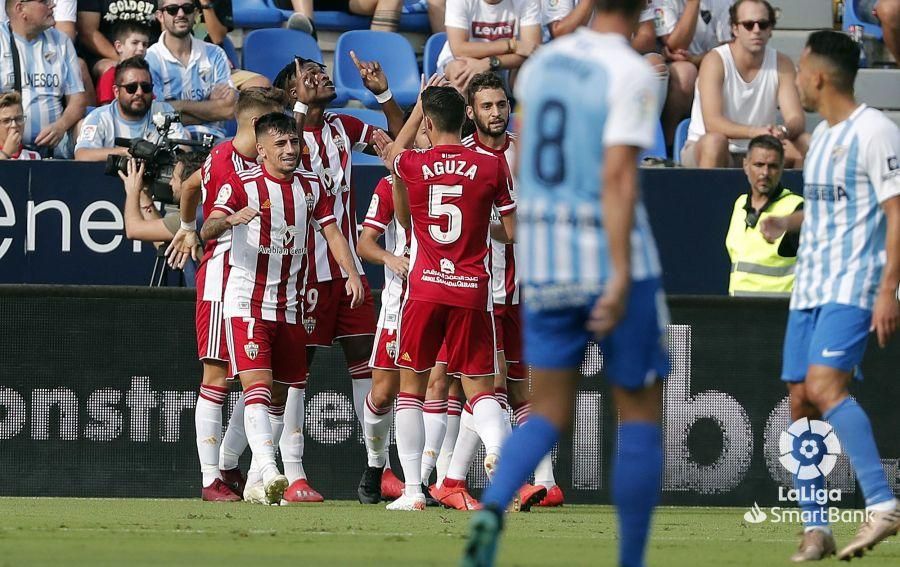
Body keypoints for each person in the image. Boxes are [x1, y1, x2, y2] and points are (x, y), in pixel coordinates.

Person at [462, 0, 669, 565]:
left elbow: (524, 154)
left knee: (547, 410)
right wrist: (621, 270)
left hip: (548, 261)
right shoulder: (630, 70)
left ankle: (491, 511)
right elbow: (620, 175)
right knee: (640, 413)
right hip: (609, 254)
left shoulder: (541, 65)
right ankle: (630, 558)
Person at [759, 30, 900, 562]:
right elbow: (827, 211)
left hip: (853, 285)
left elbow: (896, 213)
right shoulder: (820, 143)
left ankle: (883, 504)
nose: (797, 81)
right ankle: (816, 528)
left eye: (801, 72)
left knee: (823, 386)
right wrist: (786, 220)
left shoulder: (877, 132)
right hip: (809, 289)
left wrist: (889, 289)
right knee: (800, 399)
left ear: (818, 75)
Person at [200, 112, 364, 505]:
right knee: (255, 387)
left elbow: (333, 232)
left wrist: (351, 273)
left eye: (293, 143)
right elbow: (206, 228)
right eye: (281, 145)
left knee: (278, 395)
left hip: (290, 305)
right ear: (261, 151)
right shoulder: (241, 184)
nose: (291, 150)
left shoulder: (311, 186)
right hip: (247, 302)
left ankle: (256, 479)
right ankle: (271, 470)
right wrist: (227, 220)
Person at [370, 85, 517, 511]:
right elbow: (511, 233)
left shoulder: (412, 163)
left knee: (411, 391)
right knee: (483, 391)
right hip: (473, 290)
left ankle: (414, 491)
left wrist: (417, 109)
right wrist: (478, 231)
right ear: (468, 118)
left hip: (424, 289)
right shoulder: (492, 166)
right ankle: (501, 459)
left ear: (429, 124)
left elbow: (394, 152)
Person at [272, 55, 404, 483]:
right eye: (308, 74)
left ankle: (379, 469)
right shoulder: (282, 138)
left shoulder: (343, 128)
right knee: (293, 372)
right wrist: (297, 106)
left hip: (347, 271)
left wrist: (383, 93)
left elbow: (399, 143)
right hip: (301, 273)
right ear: (293, 92)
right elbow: (286, 147)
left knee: (369, 364)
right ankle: (290, 472)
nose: (322, 76)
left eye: (322, 70)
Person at [431, 71, 557, 512]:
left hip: (524, 288)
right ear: (470, 112)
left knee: (521, 387)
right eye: (486, 106)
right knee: (490, 384)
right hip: (478, 291)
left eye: (501, 104)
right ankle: (474, 477)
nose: (496, 113)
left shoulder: (526, 155)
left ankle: (544, 480)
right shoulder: (458, 159)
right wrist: (505, 230)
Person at [166, 86, 288, 502]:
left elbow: (189, 187)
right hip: (223, 277)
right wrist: (195, 229)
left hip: (254, 279)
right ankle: (210, 478)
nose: (282, 135)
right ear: (257, 125)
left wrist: (184, 225)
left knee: (256, 380)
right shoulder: (231, 163)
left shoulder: (225, 155)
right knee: (216, 376)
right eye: (275, 125)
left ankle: (230, 466)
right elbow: (210, 215)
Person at [356, 105, 436, 505]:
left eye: (429, 129)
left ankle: (422, 483)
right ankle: (375, 466)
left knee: (438, 391)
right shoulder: (391, 185)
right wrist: (390, 259)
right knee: (384, 393)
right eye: (420, 130)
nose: (427, 136)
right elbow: (365, 242)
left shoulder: (459, 177)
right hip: (399, 303)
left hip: (443, 297)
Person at [682, 0, 808, 169]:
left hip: (761, 150)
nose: (756, 30)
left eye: (763, 24)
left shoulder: (782, 63)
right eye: (749, 25)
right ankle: (709, 195)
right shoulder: (715, 60)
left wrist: (784, 131)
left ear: (770, 30)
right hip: (711, 148)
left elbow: (796, 118)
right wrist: (756, 133)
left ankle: (796, 195)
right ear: (735, 29)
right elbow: (713, 124)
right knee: (715, 142)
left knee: (805, 142)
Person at [0, 0, 87, 158]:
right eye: (44, 1)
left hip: (56, 143)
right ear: (21, 8)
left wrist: (61, 126)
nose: (53, 4)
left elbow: (78, 99)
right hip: (5, 145)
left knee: (84, 129)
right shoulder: (1, 41)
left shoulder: (61, 41)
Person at [145, 0, 235, 142]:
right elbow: (158, 117)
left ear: (195, 13)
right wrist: (212, 109)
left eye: (187, 8)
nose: (181, 14)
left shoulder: (215, 54)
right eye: (172, 9)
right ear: (160, 16)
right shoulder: (149, 60)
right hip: (170, 143)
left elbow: (229, 110)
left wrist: (179, 105)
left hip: (215, 142)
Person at [725, 135, 803, 297]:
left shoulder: (796, 208)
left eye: (773, 166)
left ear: (782, 168)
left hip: (776, 315)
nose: (765, 173)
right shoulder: (740, 204)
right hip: (736, 312)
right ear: (746, 165)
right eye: (759, 165)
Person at [74, 57, 188, 161]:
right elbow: (82, 154)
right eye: (131, 88)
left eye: (145, 87)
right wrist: (125, 152)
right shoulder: (99, 117)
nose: (139, 93)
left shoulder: (164, 110)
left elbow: (184, 149)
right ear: (116, 92)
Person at [654, 0, 732, 148]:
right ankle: (670, 147)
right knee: (686, 73)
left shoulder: (725, 2)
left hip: (714, 64)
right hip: (677, 67)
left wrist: (697, 59)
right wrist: (693, 4)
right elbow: (676, 45)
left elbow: (731, 48)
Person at [436, 0, 543, 91]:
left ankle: (527, 115)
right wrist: (510, 45)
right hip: (465, 60)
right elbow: (459, 49)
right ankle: (465, 114)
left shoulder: (527, 1)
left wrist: (489, 62)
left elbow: (532, 50)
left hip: (507, 62)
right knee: (460, 72)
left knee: (532, 76)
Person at [118, 151, 205, 246]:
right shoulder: (205, 208)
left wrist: (132, 190)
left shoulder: (192, 217)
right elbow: (163, 246)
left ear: (188, 182)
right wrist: (144, 196)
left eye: (174, 178)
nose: (171, 183)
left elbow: (133, 230)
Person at [76, 0, 159, 80]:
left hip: (150, 54)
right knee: (112, 69)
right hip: (106, 56)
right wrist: (123, 60)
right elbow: (87, 31)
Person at [94, 23, 151, 106]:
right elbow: (106, 109)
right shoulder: (110, 75)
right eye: (135, 43)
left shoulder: (146, 74)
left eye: (145, 44)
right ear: (119, 46)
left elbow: (151, 103)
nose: (141, 48)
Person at [0, 91, 40, 160]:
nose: (14, 125)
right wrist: (6, 153)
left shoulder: (33, 156)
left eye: (18, 119)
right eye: (6, 121)